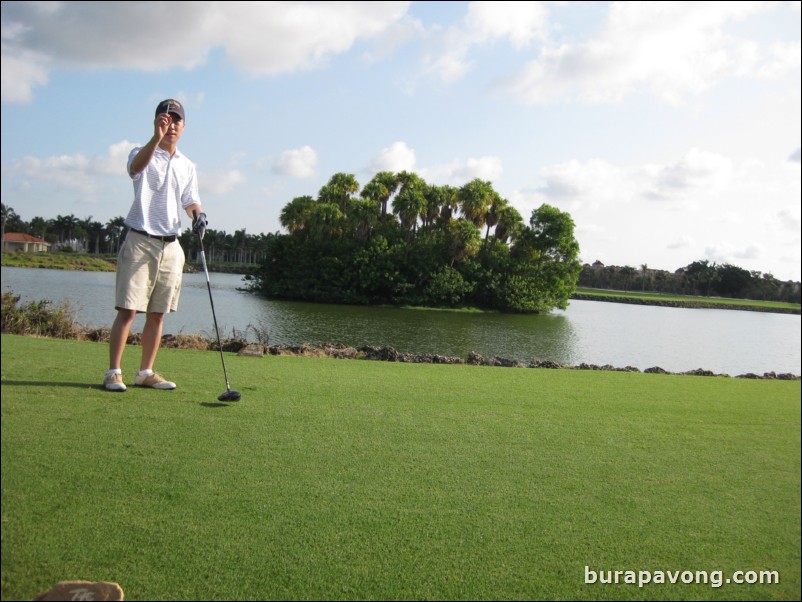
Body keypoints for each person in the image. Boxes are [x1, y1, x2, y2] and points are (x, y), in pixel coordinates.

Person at [103, 99, 207, 392]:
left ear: (184, 126)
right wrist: (156, 138)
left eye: (177, 120)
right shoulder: (142, 152)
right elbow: (135, 169)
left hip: (172, 246)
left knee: (158, 313)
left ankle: (145, 372)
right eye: (166, 118)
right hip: (140, 240)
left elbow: (190, 201)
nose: (171, 125)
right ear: (157, 121)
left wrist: (198, 216)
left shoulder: (187, 165)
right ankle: (113, 372)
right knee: (128, 310)